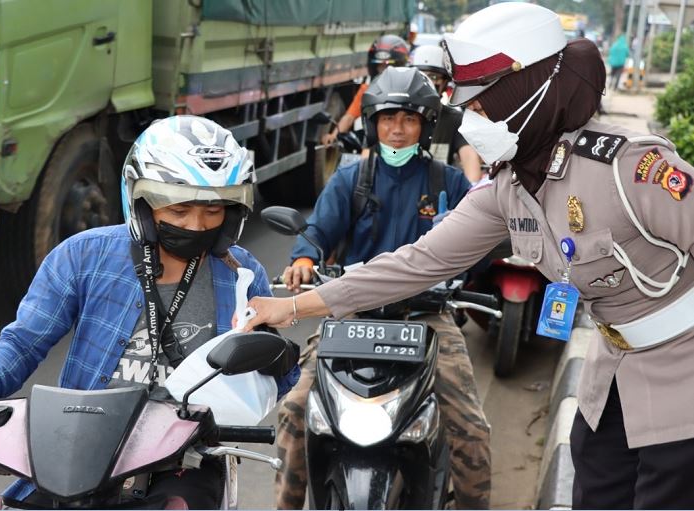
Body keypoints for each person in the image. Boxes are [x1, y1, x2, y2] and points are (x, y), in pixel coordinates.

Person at [241, 2, 694, 509]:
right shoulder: (508, 188)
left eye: (479, 108)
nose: (470, 123)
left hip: (682, 373)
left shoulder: (628, 168)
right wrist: (293, 306)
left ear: (526, 94)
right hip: (609, 372)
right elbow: (417, 261)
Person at [0, 116, 300, 509]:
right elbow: (20, 345)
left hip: (183, 458)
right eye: (180, 209)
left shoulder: (241, 273)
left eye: (212, 211)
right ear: (143, 203)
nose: (196, 225)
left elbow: (278, 378)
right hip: (77, 448)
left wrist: (277, 355)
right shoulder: (83, 256)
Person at [275, 66, 491, 510]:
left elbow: (480, 242)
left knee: (470, 428)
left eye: (409, 119)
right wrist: (303, 258)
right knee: (295, 411)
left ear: (425, 126)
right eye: (387, 118)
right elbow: (319, 230)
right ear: (372, 123)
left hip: (428, 318)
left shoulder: (449, 183)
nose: (397, 129)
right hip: (351, 314)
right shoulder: (352, 178)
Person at [411, 44, 484, 184]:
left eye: (433, 76)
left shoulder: (454, 119)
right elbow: (379, 155)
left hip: (438, 194)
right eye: (420, 75)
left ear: (445, 82)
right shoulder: (396, 114)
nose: (427, 82)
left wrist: (469, 196)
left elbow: (471, 166)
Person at [321, 34, 410, 145]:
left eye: (388, 66)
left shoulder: (411, 91)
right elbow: (349, 116)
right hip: (376, 148)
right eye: (380, 66)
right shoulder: (368, 91)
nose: (383, 71)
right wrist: (334, 135)